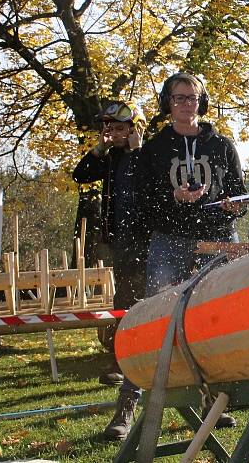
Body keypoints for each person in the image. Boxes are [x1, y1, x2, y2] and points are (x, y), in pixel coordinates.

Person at [103, 72, 247, 441]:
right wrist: (174, 199)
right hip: (171, 240)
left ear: (203, 101)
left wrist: (234, 206)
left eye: (193, 98)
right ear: (168, 103)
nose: (187, 104)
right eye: (180, 98)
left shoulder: (222, 145)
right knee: (154, 319)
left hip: (217, 238)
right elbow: (144, 205)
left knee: (219, 317)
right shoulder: (153, 149)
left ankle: (215, 401)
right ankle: (128, 405)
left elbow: (239, 195)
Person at [72, 100, 148, 386]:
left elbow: (152, 184)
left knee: (144, 297)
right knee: (124, 300)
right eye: (109, 128)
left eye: (119, 128)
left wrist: (138, 149)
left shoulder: (150, 153)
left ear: (134, 128)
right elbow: (80, 176)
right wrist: (100, 148)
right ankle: (122, 360)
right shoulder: (111, 157)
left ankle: (140, 359)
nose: (113, 133)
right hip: (121, 240)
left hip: (150, 239)